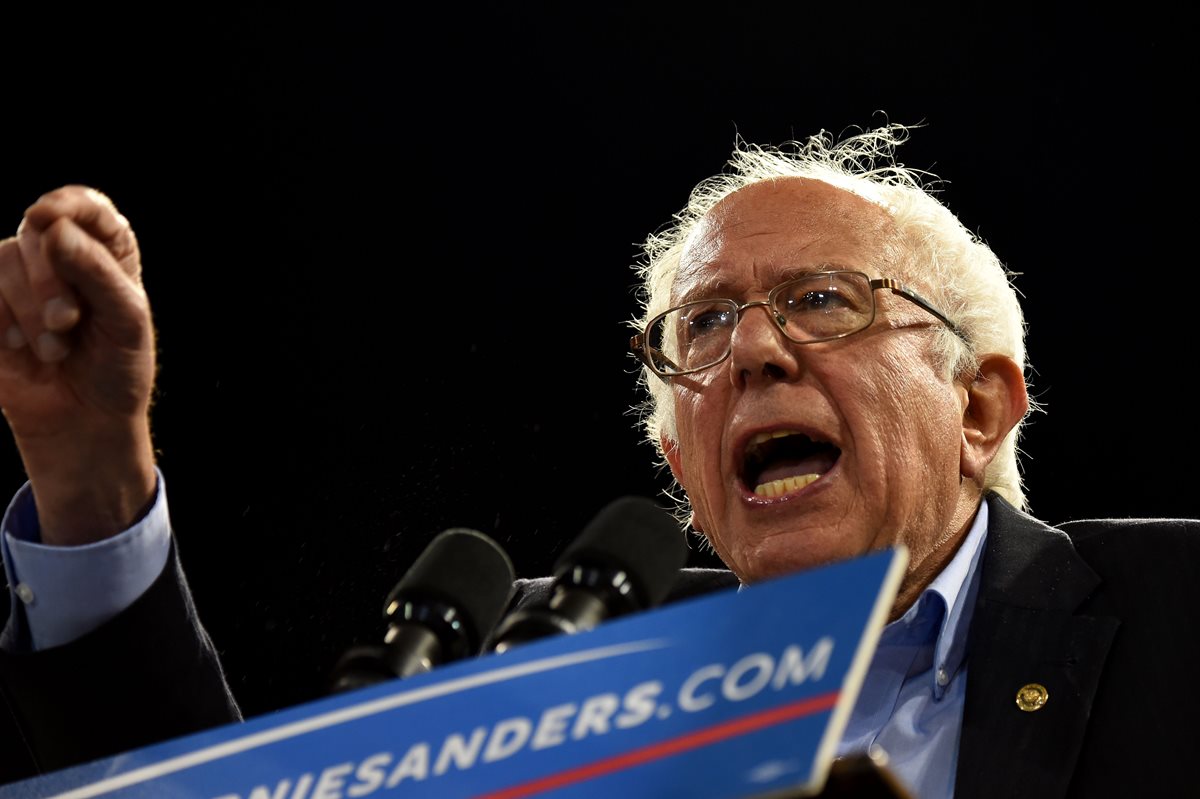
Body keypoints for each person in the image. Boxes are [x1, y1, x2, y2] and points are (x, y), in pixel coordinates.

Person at [1, 123, 1197, 798]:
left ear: (981, 407)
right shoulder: (562, 665)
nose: (754, 352)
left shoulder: (1177, 619)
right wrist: (91, 472)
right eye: (705, 329)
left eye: (822, 301)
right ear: (681, 465)